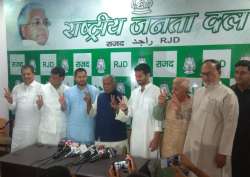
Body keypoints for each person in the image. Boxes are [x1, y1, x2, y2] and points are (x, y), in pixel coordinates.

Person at [183, 59, 239, 177]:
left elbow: (230, 126)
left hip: (213, 151)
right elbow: (193, 119)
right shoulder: (198, 92)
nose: (206, 77)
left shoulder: (227, 95)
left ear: (219, 73)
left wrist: (223, 153)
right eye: (203, 74)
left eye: (209, 73)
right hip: (195, 147)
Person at [117, 63, 162, 158]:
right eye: (136, 76)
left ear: (148, 75)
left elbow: (159, 118)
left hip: (150, 136)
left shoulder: (156, 91)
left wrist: (157, 138)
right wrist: (125, 109)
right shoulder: (134, 93)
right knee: (136, 165)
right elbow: (129, 114)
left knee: (151, 167)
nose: (138, 78)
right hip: (136, 137)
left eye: (140, 76)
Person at [4, 64, 42, 152]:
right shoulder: (17, 88)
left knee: (31, 154)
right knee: (15, 154)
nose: (26, 76)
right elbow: (12, 108)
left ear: (33, 74)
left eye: (28, 74)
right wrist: (10, 101)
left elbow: (44, 110)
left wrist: (40, 105)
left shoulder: (40, 88)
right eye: (23, 74)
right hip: (18, 129)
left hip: (33, 129)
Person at [89, 75, 128, 154]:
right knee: (101, 165)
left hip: (118, 141)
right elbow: (92, 114)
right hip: (101, 141)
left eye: (108, 84)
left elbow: (126, 119)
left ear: (114, 84)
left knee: (118, 165)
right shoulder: (99, 97)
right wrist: (88, 103)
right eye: (104, 84)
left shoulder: (122, 97)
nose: (106, 86)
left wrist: (116, 108)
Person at [153, 78, 192, 158]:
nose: (172, 91)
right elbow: (157, 116)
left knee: (182, 170)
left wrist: (180, 111)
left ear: (185, 90)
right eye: (172, 88)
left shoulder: (194, 103)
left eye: (176, 89)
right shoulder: (169, 102)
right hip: (167, 148)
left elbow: (195, 126)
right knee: (166, 169)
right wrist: (160, 104)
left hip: (184, 150)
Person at [63, 68, 99, 144]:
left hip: (88, 133)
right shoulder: (68, 92)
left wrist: (89, 102)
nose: (82, 79)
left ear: (87, 77)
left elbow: (96, 113)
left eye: (84, 76)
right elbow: (66, 111)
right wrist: (62, 104)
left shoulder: (94, 91)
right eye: (79, 77)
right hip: (72, 134)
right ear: (75, 78)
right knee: (72, 155)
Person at [38, 67, 69, 145]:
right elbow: (37, 109)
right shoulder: (42, 89)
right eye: (51, 77)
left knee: (60, 154)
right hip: (47, 130)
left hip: (61, 129)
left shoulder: (68, 90)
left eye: (55, 78)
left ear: (62, 78)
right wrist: (39, 106)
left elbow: (68, 110)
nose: (51, 80)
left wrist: (63, 105)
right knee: (45, 154)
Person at [231, 60, 250, 177]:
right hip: (232, 144)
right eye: (236, 72)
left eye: (243, 73)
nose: (238, 76)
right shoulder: (229, 92)